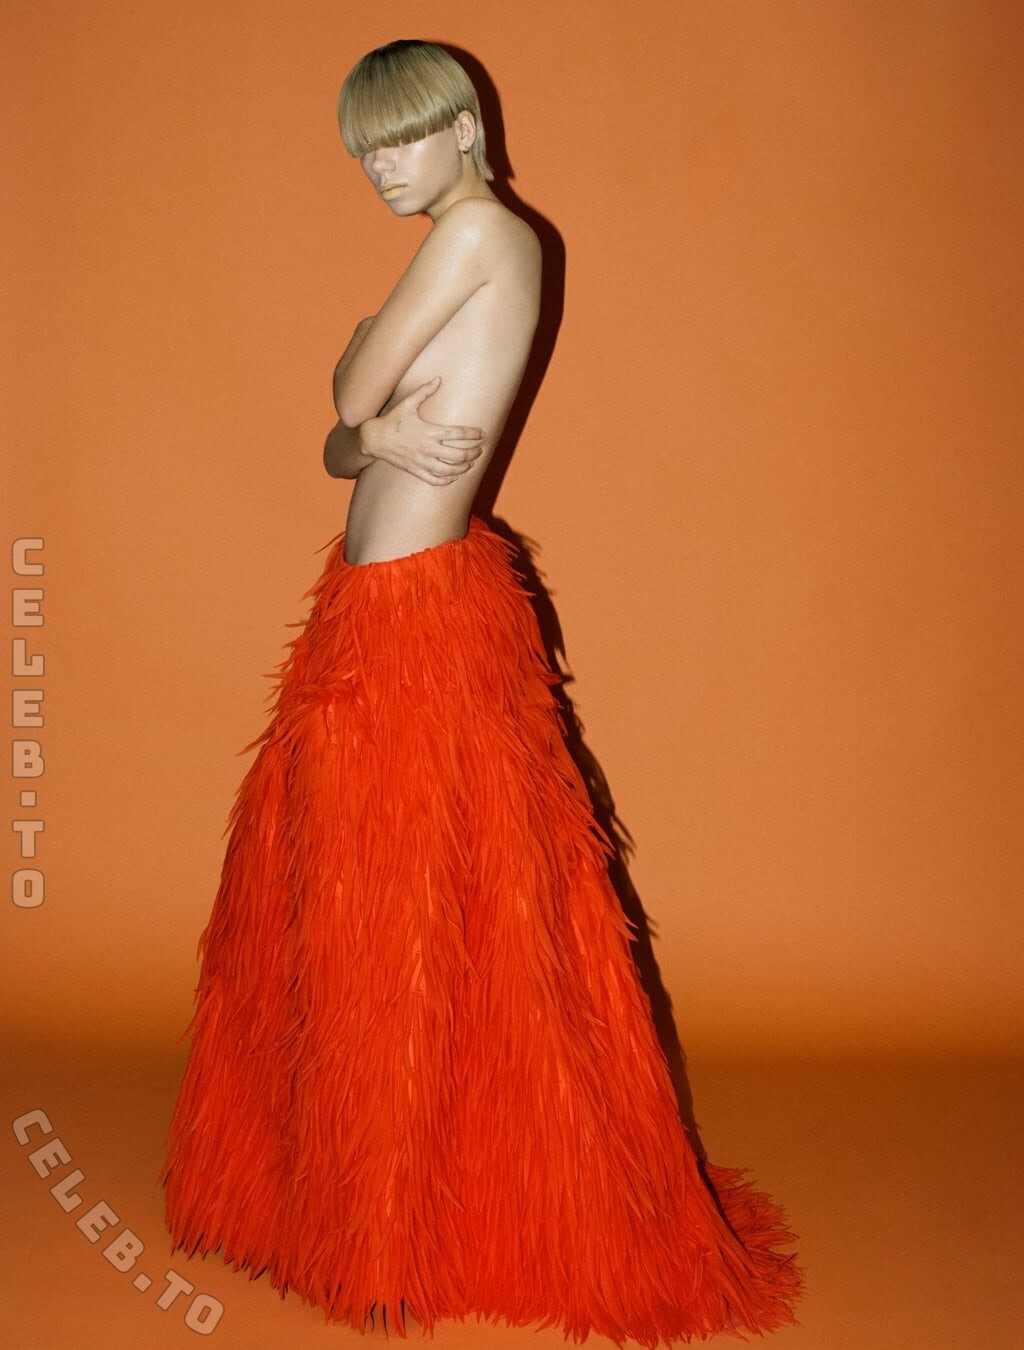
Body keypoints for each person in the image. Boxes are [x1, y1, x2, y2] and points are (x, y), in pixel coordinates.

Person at [160, 39, 803, 1347]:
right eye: (366, 152)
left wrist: (365, 395)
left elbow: (347, 391)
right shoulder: (470, 244)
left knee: (393, 912)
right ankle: (373, 1198)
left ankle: (399, 1214)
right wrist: (373, 429)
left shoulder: (476, 234)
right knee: (385, 902)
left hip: (412, 618)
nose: (382, 169)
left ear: (464, 126)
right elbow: (341, 441)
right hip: (379, 610)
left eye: (402, 137)